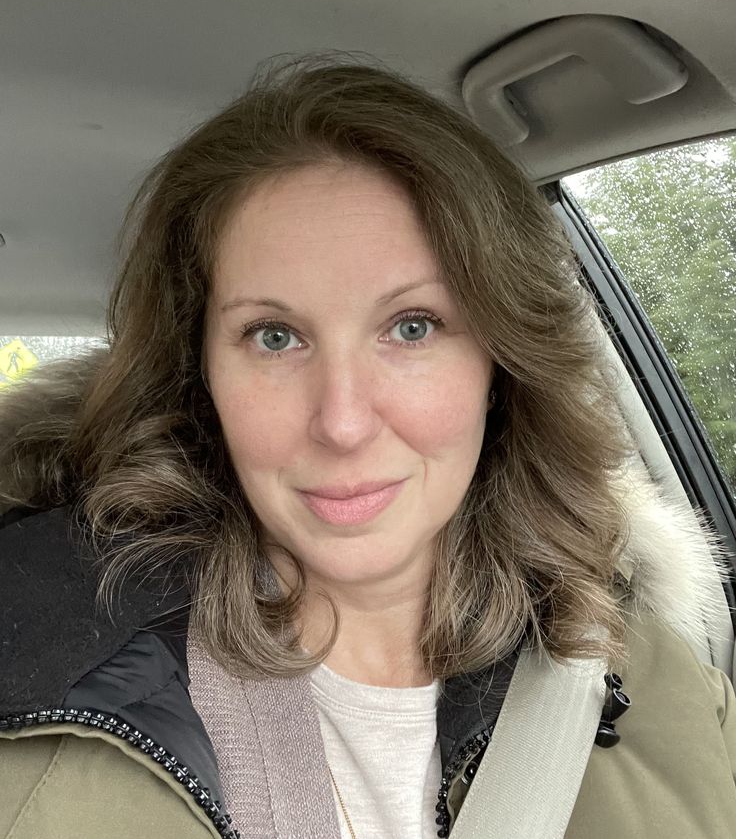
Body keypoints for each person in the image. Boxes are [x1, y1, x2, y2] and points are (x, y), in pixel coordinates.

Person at [1, 54, 735, 839]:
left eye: (412, 327)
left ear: (500, 361)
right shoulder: (34, 687)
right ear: (199, 374)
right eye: (274, 336)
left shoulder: (670, 691)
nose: (343, 422)